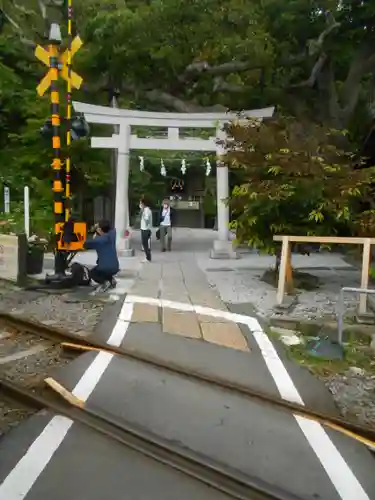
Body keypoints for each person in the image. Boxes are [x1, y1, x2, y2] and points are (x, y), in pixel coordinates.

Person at [83, 220, 119, 292]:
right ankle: (111, 280)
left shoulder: (97, 240)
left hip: (105, 267)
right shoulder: (112, 235)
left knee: (92, 273)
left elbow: (85, 244)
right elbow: (111, 229)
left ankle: (105, 283)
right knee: (104, 270)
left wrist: (94, 233)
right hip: (115, 267)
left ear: (99, 229)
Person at [139, 197, 152, 262]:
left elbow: (147, 220)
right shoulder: (145, 210)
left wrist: (143, 213)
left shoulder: (146, 210)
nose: (140, 204)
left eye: (141, 203)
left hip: (145, 229)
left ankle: (148, 258)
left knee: (145, 244)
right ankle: (148, 257)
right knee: (145, 244)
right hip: (144, 229)